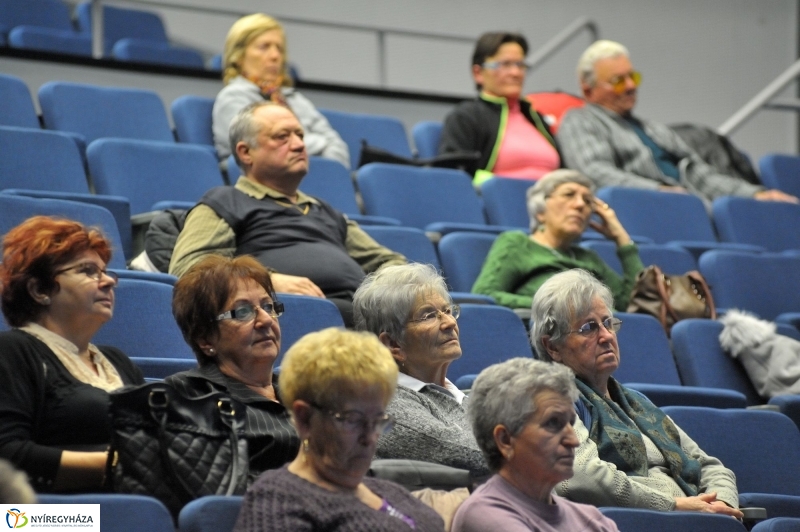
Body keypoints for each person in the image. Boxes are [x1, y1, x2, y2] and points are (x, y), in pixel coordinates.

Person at [169, 101, 406, 326]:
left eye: (300, 135)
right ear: (245, 152)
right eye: (282, 137)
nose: (299, 145)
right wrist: (267, 283)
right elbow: (190, 271)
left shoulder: (324, 210)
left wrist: (382, 294)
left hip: (365, 317)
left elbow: (389, 262)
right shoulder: (225, 202)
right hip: (292, 318)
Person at [530, 269, 744, 515]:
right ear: (553, 347)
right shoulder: (554, 399)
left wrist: (723, 506)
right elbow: (581, 475)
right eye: (589, 327)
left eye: (608, 323)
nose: (607, 336)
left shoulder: (637, 402)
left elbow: (709, 466)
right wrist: (674, 506)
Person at [232, 327, 444, 531]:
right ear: (305, 418)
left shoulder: (390, 491)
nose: (370, 437)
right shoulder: (278, 499)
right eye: (353, 420)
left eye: (378, 420)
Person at [0, 216, 144, 493]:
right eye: (88, 271)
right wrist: (115, 464)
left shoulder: (119, 362)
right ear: (39, 289)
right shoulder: (12, 351)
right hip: (46, 517)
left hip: (128, 505)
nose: (108, 282)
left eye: (106, 272)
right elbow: (7, 454)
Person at [557, 40, 797, 204]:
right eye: (618, 80)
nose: (631, 86)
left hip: (691, 206)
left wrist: (755, 194)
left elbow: (700, 174)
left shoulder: (653, 128)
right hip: (649, 211)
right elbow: (594, 173)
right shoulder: (579, 121)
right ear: (588, 89)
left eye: (633, 77)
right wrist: (660, 192)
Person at [166, 255, 299, 476]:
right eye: (243, 312)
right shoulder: (192, 395)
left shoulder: (303, 391)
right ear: (205, 338)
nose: (266, 320)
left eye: (268, 306)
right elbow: (216, 485)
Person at [353, 263, 490, 478]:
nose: (449, 322)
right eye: (428, 316)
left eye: (447, 311)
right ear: (393, 344)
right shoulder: (385, 404)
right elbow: (471, 455)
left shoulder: (463, 397)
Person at [452, 358, 619, 532]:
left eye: (571, 422)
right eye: (553, 423)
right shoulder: (483, 515)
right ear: (505, 440)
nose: (573, 441)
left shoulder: (594, 519)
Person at [472, 169, 643, 311]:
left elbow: (631, 305)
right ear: (540, 210)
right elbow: (486, 294)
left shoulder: (587, 256)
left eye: (587, 201)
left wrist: (622, 239)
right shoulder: (517, 244)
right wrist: (562, 307)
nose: (580, 205)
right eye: (569, 195)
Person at [213, 13, 349, 167]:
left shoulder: (294, 99)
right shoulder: (233, 97)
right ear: (238, 56)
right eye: (264, 47)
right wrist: (320, 145)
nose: (275, 55)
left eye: (279, 48)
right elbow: (263, 148)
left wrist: (324, 171)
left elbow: (337, 146)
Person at [439, 31, 561, 186]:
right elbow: (454, 174)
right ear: (478, 73)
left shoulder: (537, 119)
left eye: (520, 65)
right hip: (501, 204)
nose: (515, 73)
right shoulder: (466, 116)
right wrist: (499, 186)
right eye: (505, 64)